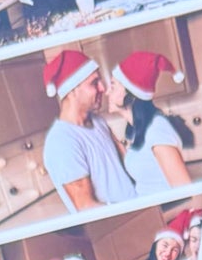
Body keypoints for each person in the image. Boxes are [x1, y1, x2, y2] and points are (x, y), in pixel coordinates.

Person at [40, 52, 138, 212]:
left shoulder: (98, 121)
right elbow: (86, 207)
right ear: (72, 91)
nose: (103, 88)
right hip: (123, 220)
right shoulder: (61, 142)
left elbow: (128, 162)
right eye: (94, 83)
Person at [112, 52, 193, 194]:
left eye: (112, 86)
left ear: (129, 95)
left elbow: (185, 193)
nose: (107, 92)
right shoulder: (139, 130)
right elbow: (145, 165)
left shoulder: (157, 130)